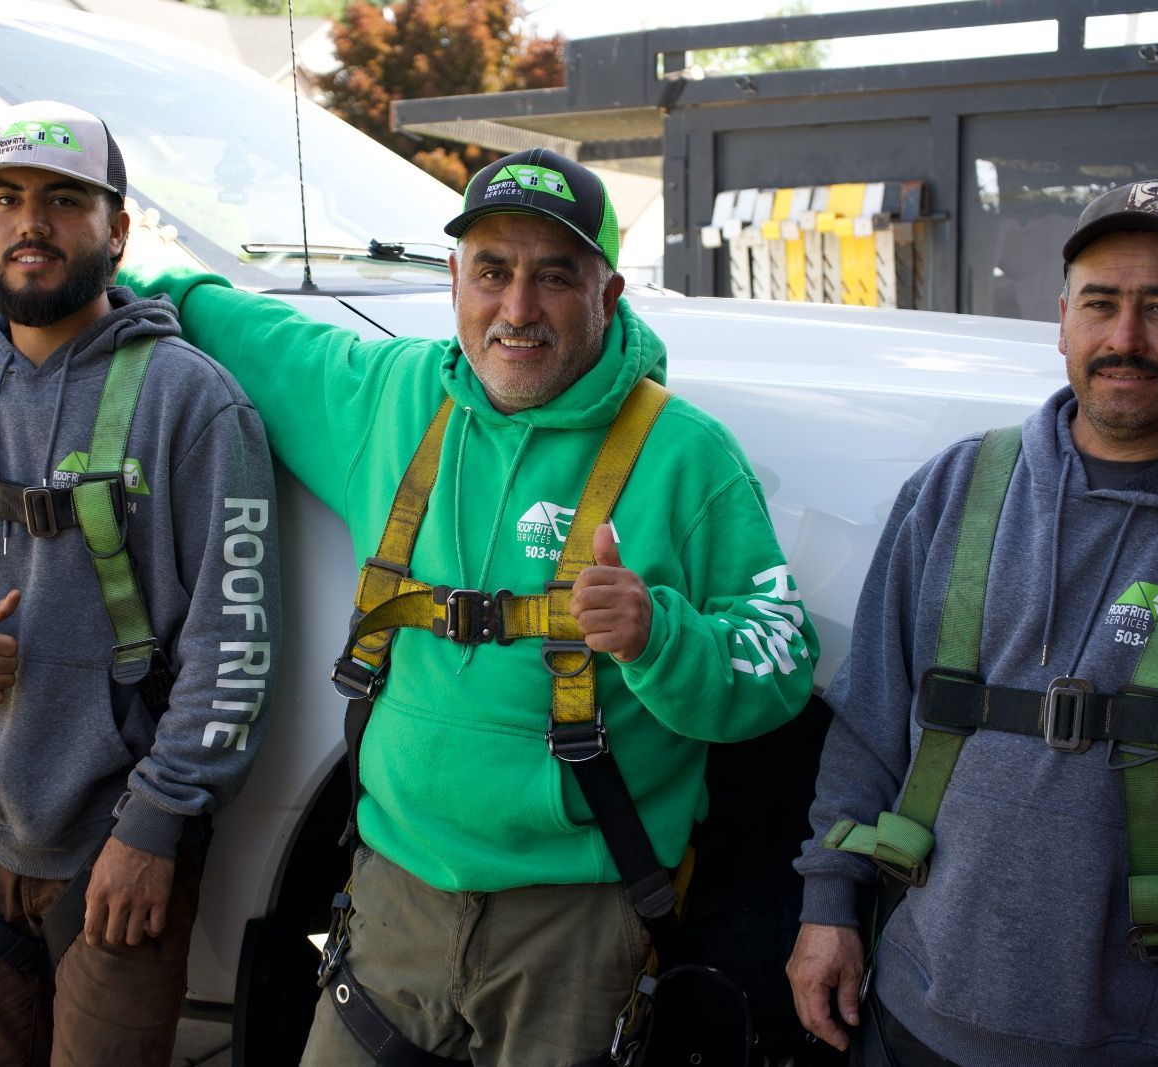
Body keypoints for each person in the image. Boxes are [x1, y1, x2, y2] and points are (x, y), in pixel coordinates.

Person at [120, 147, 818, 1065]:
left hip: (574, 922)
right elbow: (229, 319)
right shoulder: (392, 397)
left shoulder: (686, 455)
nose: (517, 308)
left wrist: (661, 636)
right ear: (456, 281)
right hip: (390, 901)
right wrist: (95, 262)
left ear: (608, 295)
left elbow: (781, 663)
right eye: (492, 271)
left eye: (554, 276)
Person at [788, 178, 1158, 1067]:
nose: (1125, 338)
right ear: (1062, 318)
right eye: (1102, 304)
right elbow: (870, 727)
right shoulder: (957, 489)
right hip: (909, 1006)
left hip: (1129, 1033)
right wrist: (826, 906)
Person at [0, 100, 279, 1066]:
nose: (30, 222)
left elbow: (231, 652)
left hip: (118, 854)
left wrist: (152, 832)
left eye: (63, 199)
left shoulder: (191, 404)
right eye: (4, 197)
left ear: (115, 229)